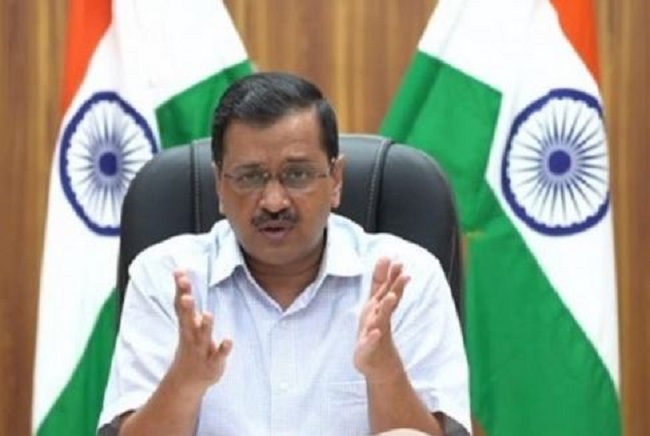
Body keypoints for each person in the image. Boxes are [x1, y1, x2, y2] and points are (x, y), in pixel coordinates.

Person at [98, 72, 470, 435]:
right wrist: (184, 382)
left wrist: (385, 372)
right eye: (249, 177)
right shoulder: (167, 278)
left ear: (336, 180)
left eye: (297, 175)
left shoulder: (403, 279)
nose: (274, 202)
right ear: (219, 186)